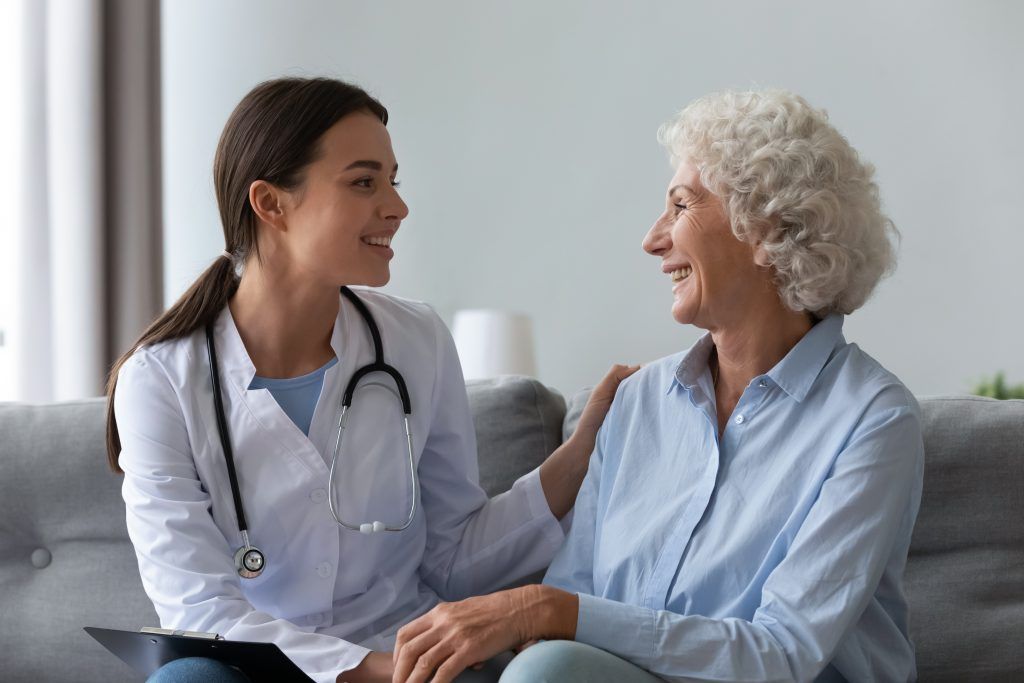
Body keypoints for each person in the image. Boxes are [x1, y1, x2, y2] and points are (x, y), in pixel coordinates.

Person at [105, 77, 636, 683]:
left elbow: (454, 557)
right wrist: (383, 674)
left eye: (393, 181)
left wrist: (581, 451)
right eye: (364, 182)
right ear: (271, 203)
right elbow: (199, 607)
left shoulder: (416, 340)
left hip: (410, 648)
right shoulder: (158, 381)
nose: (397, 207)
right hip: (275, 669)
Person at [391, 89, 925, 683]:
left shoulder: (872, 418)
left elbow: (784, 653)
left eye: (680, 206)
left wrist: (542, 610)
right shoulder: (639, 401)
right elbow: (570, 607)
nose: (653, 239)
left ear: (766, 226)